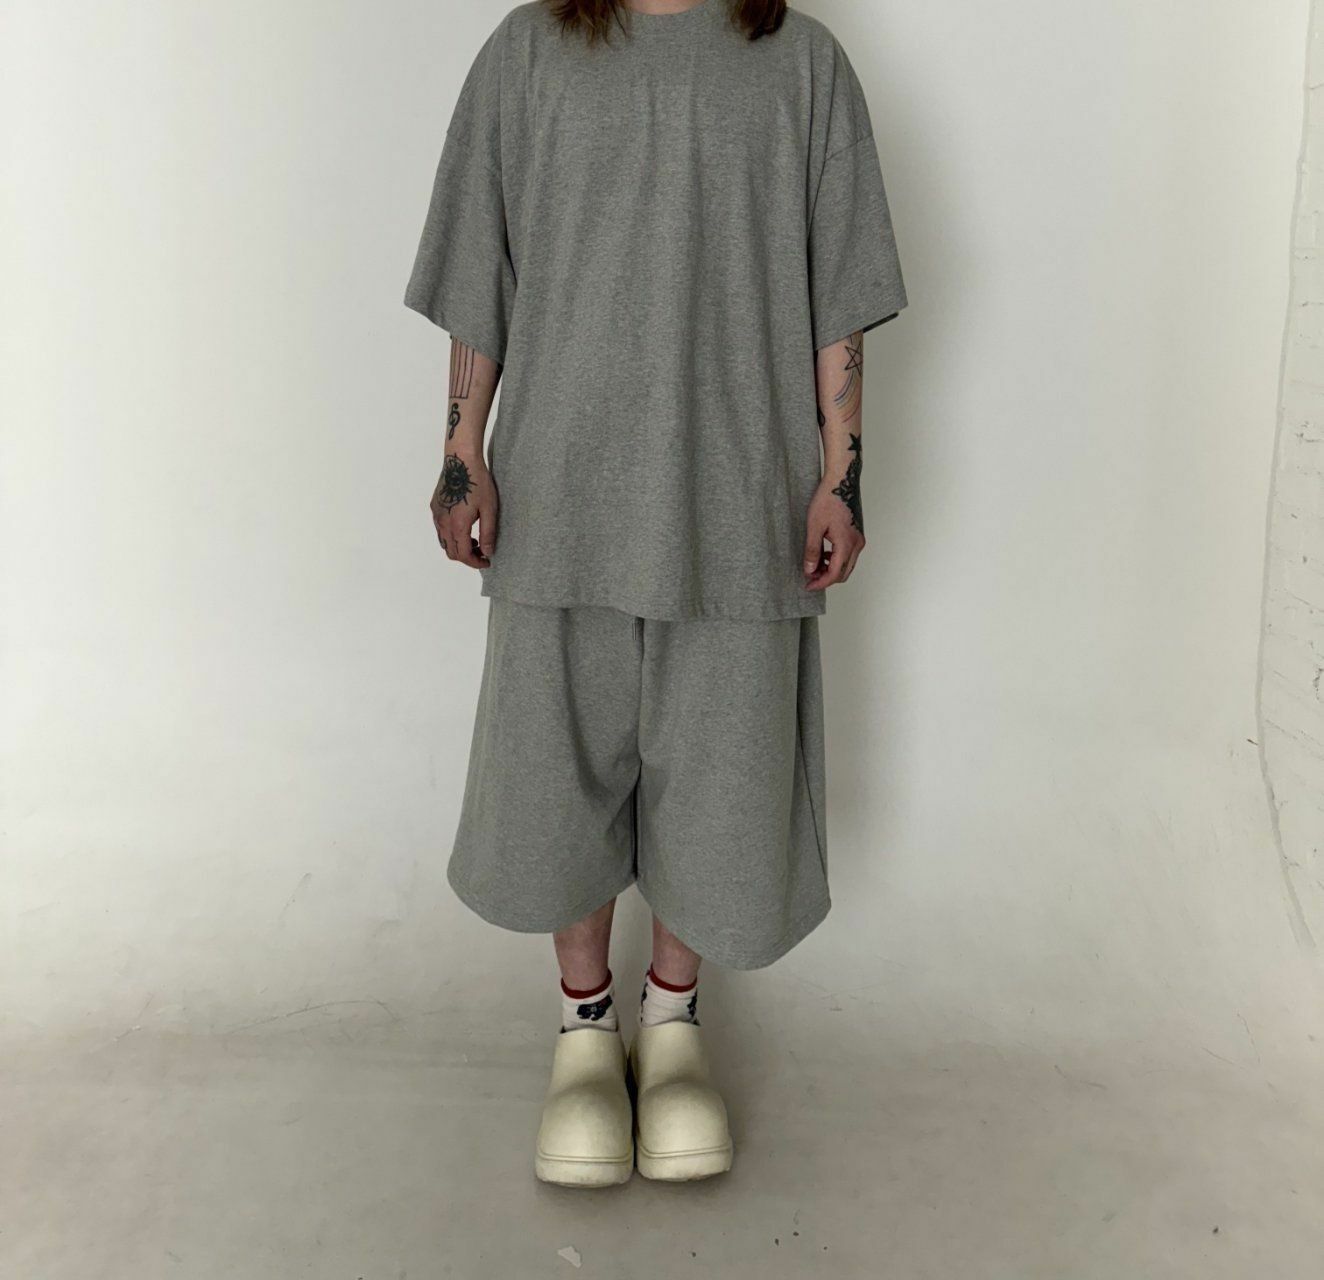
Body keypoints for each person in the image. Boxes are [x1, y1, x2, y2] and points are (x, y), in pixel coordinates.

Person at [404, 0, 907, 1186]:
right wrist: (462, 451)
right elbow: (481, 269)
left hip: (739, 498)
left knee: (722, 782)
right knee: (553, 778)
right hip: (560, 497)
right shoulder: (528, 53)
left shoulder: (802, 66)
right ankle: (585, 1026)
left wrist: (840, 474)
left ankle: (672, 1020)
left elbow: (839, 290)